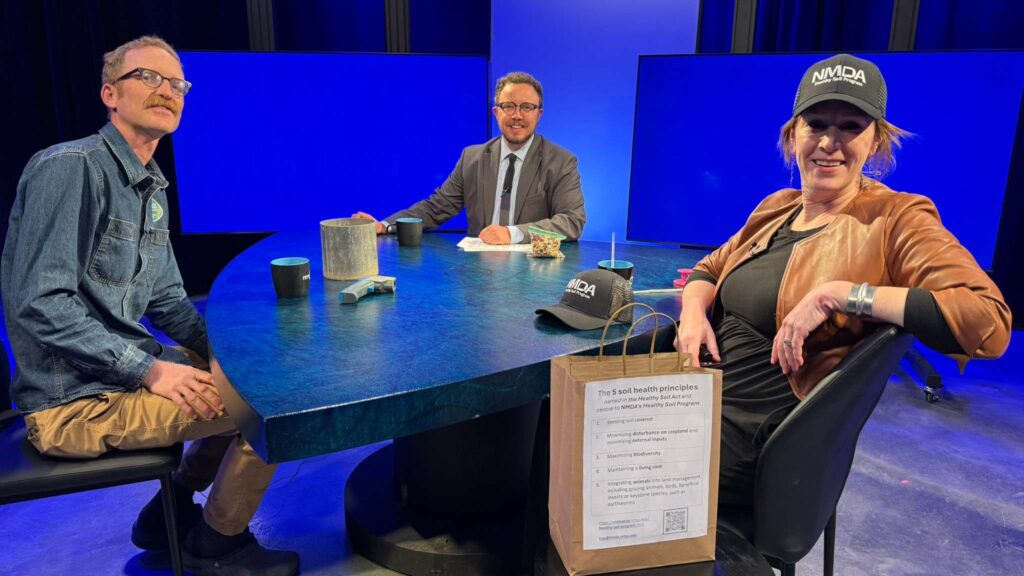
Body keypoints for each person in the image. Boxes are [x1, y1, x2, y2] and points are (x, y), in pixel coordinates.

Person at [1, 36, 299, 576]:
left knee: (264, 376)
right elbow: (39, 304)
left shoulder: (151, 189)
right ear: (109, 94)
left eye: (177, 83)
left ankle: (169, 514)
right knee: (275, 410)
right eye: (149, 78)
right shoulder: (70, 167)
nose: (167, 91)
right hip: (74, 403)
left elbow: (168, 303)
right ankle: (218, 550)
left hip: (115, 381)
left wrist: (225, 355)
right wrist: (151, 370)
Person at [673, 53, 1012, 507]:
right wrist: (693, 314)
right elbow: (709, 268)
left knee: (589, 474)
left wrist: (841, 295)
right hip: (693, 405)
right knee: (557, 428)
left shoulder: (898, 218)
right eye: (816, 124)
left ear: (876, 143)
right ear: (793, 136)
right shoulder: (778, 207)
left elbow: (988, 320)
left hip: (755, 441)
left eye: (851, 126)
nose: (830, 142)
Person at [353, 71, 586, 245]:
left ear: (539, 114)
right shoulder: (472, 158)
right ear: (496, 112)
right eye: (508, 106)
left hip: (534, 271)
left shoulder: (561, 162)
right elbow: (436, 208)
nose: (517, 115)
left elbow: (571, 222)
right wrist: (384, 225)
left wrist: (512, 233)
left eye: (526, 107)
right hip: (479, 274)